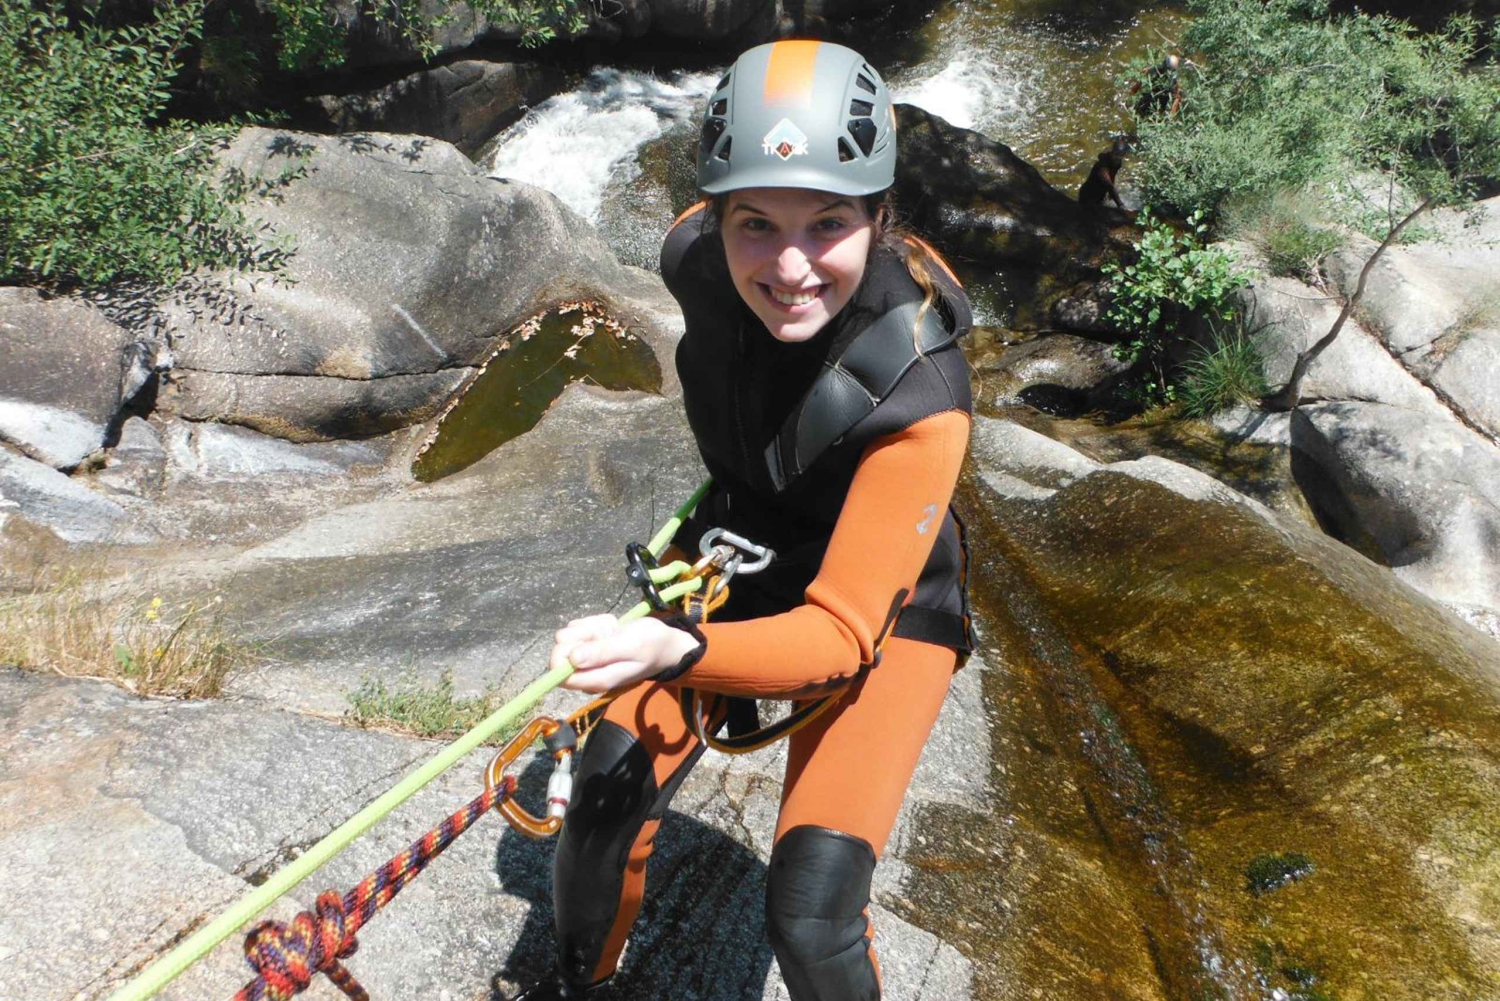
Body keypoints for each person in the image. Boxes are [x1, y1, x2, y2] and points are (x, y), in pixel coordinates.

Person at [516, 39, 975, 1001]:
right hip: (740, 549)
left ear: (879, 217)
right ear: (715, 217)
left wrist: (675, 648)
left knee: (811, 914)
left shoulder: (920, 393)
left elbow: (841, 636)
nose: (791, 265)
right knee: (598, 805)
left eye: (829, 222)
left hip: (881, 606)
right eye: (756, 223)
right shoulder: (691, 256)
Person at [1078, 140, 1128, 208]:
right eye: (1116, 154)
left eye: (1121, 155)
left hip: (1100, 194)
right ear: (1112, 152)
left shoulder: (1117, 162)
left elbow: (1112, 175)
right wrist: (1120, 205)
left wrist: (1110, 194)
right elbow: (1108, 185)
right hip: (1088, 195)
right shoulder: (1102, 166)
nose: (1118, 157)